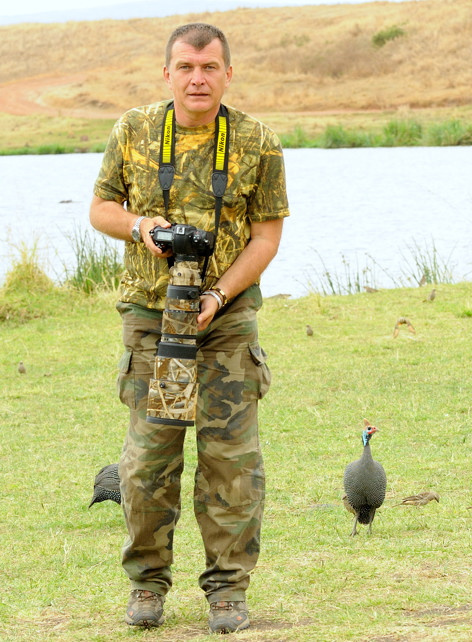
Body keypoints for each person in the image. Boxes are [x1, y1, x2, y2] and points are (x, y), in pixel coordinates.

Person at [89, 23, 289, 634]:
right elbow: (100, 208)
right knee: (149, 463)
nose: (197, 78)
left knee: (231, 464)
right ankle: (147, 586)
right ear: (167, 73)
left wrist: (218, 293)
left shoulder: (258, 141)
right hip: (152, 324)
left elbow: (267, 236)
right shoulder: (133, 129)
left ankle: (228, 592)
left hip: (225, 324)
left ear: (229, 73)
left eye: (208, 67)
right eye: (185, 67)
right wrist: (140, 227)